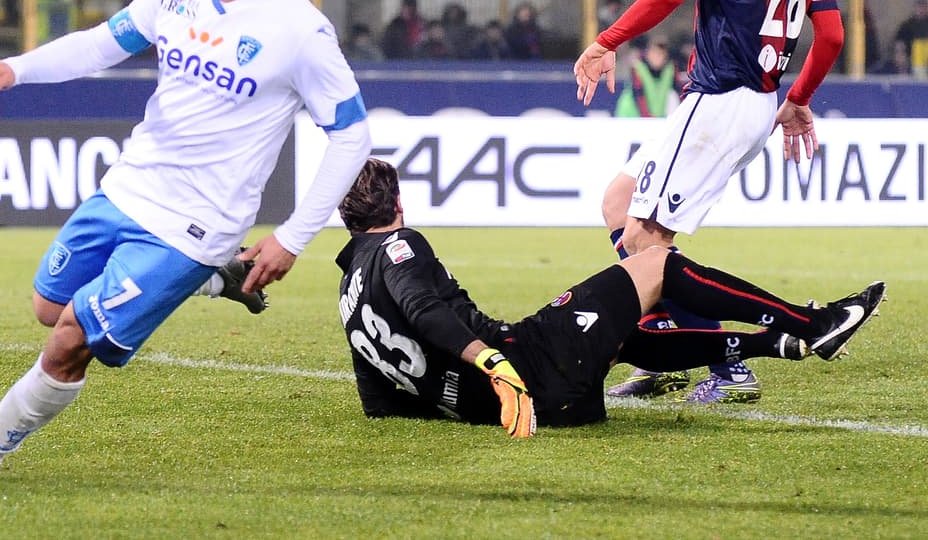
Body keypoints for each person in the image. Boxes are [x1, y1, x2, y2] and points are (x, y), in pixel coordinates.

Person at [0, 0, 372, 488]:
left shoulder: (302, 31)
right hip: (128, 189)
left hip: (196, 224)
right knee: (48, 306)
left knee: (69, 341)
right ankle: (218, 280)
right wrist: (16, 68)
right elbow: (100, 46)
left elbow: (352, 134)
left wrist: (293, 236)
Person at [573, 0, 846, 404]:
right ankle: (663, 354)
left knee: (646, 241)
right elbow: (830, 35)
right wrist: (798, 98)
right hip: (753, 101)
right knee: (620, 202)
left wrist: (608, 39)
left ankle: (726, 363)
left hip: (721, 96)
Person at [335, 158, 886, 435]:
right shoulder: (400, 245)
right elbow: (424, 310)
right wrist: (496, 368)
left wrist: (458, 403)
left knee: (628, 336)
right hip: (532, 365)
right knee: (656, 266)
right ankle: (812, 324)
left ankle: (771, 345)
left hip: (517, 402)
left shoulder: (347, 285)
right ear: (398, 204)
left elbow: (378, 400)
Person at [614, 36, 681, 118]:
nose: (657, 57)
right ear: (648, 53)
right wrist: (648, 118)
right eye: (654, 53)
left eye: (661, 54)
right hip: (631, 115)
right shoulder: (638, 67)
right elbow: (638, 95)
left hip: (656, 117)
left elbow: (679, 92)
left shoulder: (671, 69)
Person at [892, 0, 928, 78]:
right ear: (915, 8)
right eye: (919, 7)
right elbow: (899, 41)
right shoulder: (907, 25)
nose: (921, 9)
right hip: (912, 53)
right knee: (903, 54)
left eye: (923, 7)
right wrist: (900, 51)